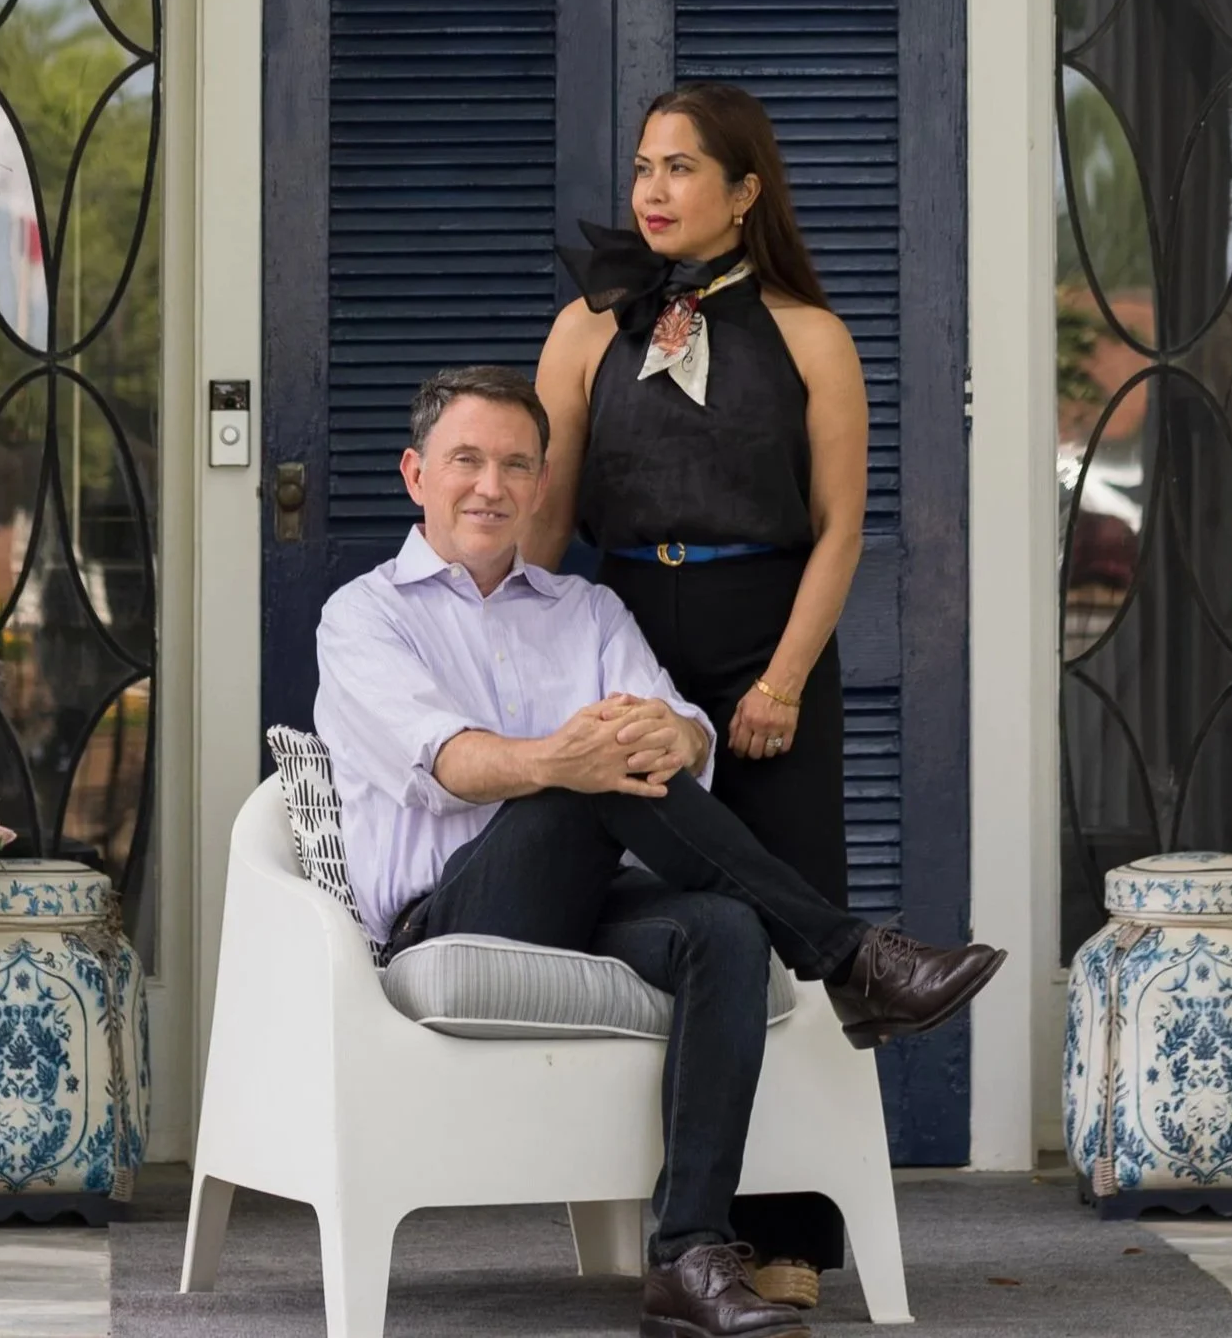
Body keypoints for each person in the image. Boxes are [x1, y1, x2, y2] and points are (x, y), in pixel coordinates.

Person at [316, 366, 1005, 1338]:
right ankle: (851, 956)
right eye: (466, 459)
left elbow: (680, 730)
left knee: (722, 928)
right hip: (453, 914)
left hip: (590, 899)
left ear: (543, 484)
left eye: (517, 465)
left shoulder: (586, 610)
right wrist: (568, 757)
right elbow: (451, 764)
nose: (492, 486)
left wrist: (676, 735)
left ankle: (688, 1253)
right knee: (593, 775)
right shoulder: (364, 614)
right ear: (414, 473)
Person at [534, 83, 872, 1309]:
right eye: (643, 167)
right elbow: (547, 528)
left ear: (745, 192)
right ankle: (695, 1228)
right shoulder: (588, 328)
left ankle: (789, 1235)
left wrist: (782, 678)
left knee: (790, 933)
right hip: (628, 637)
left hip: (767, 640)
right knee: (697, 927)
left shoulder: (812, 336)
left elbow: (840, 531)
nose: (653, 191)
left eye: (681, 168)